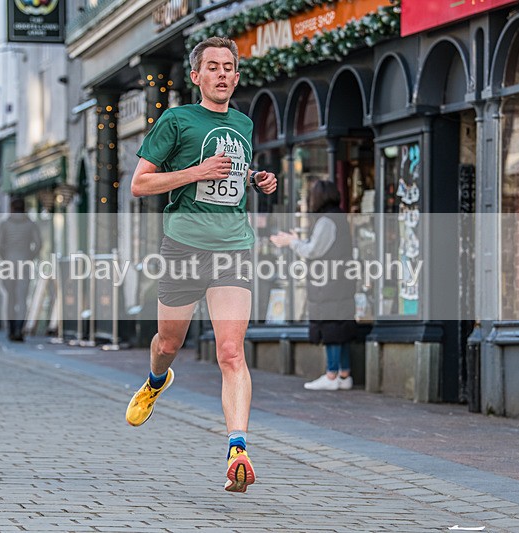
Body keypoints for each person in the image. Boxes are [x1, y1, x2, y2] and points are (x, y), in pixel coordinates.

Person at [125, 36, 277, 493]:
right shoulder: (175, 120)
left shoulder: (245, 123)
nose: (222, 74)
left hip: (233, 246)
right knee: (169, 342)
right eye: (212, 67)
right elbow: (139, 184)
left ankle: (237, 448)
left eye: (229, 67)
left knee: (231, 352)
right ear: (196, 77)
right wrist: (196, 172)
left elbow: (231, 172)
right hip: (184, 246)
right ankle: (155, 380)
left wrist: (255, 178)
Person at [271, 179, 357, 391]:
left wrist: (291, 242)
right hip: (340, 280)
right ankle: (344, 375)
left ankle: (331, 374)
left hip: (327, 283)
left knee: (331, 327)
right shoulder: (339, 217)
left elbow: (313, 251)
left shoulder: (326, 220)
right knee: (341, 325)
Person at [0, 197, 42, 342]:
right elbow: (39, 244)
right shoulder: (30, 224)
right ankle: (19, 331)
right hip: (24, 263)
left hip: (8, 264)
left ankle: (10, 330)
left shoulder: (4, 224)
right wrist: (29, 257)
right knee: (22, 299)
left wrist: (6, 258)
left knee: (10, 298)